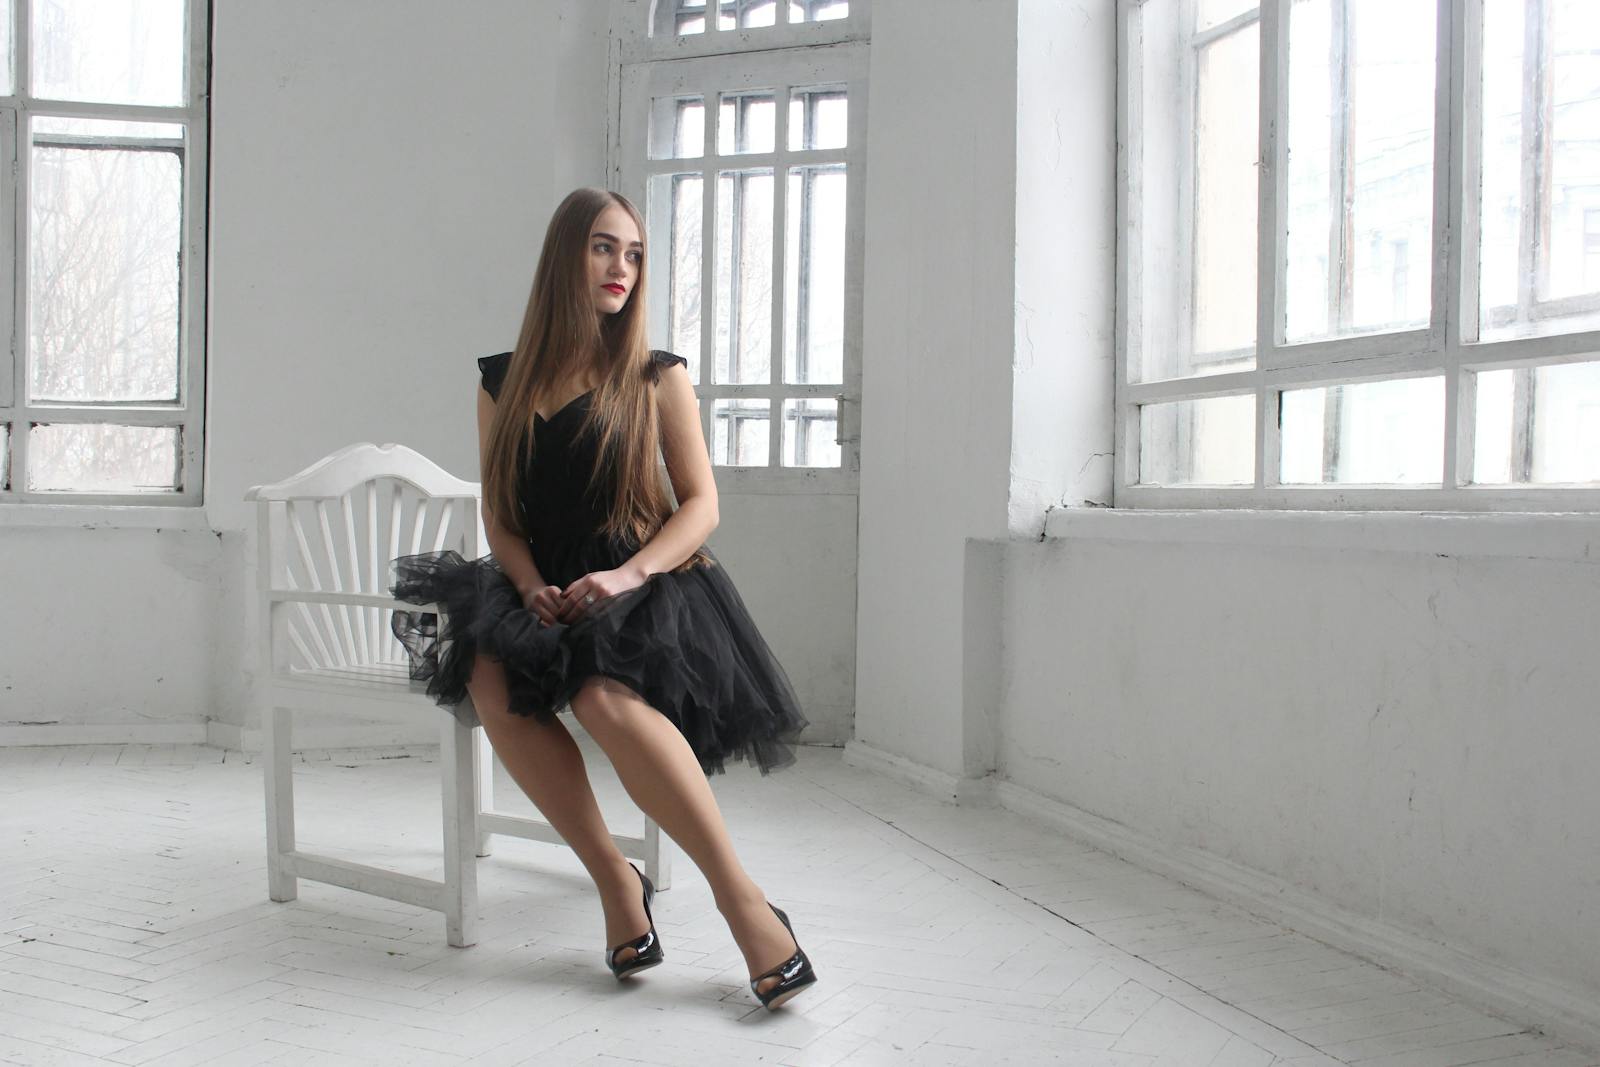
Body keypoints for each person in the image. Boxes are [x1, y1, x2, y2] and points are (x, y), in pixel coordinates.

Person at [388, 187, 816, 1011]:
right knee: (485, 667)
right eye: (601, 247)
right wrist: (524, 585)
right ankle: (617, 883)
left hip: (641, 580)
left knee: (602, 697)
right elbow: (501, 514)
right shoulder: (501, 381)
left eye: (633, 253)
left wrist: (628, 576)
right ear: (564, 257)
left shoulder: (656, 376)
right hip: (539, 584)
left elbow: (701, 505)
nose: (621, 266)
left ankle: (744, 901)